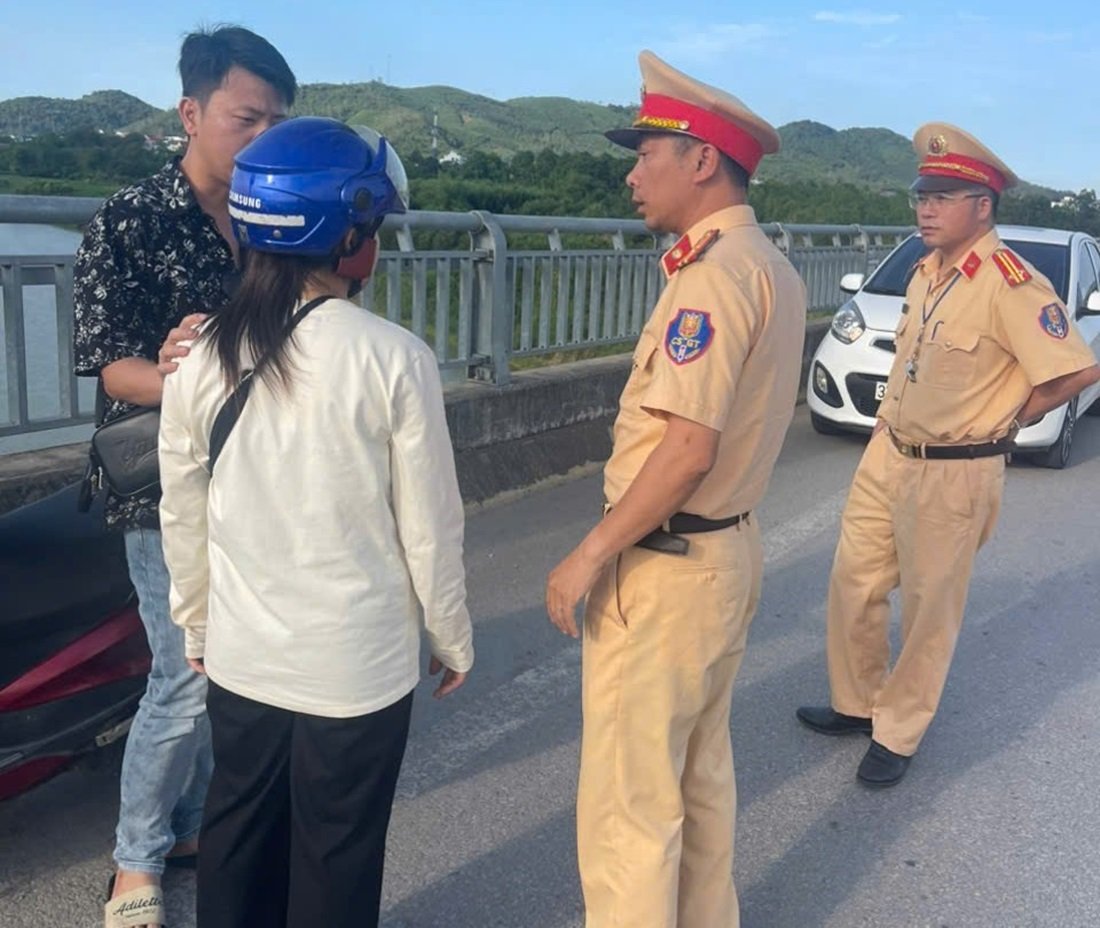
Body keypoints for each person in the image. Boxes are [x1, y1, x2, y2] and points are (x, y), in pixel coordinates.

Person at [157, 115, 474, 928]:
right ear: (349, 239)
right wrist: (450, 635)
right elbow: (430, 525)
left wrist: (196, 623)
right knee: (336, 853)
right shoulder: (394, 358)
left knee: (236, 835)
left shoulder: (201, 356)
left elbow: (182, 510)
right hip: (354, 672)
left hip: (242, 658)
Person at [546, 50, 807, 928]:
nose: (632, 173)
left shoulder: (713, 279)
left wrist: (588, 555)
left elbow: (687, 449)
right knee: (699, 782)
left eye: (647, 152)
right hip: (724, 554)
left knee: (630, 810)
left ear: (702, 160)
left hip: (665, 565)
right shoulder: (768, 263)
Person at [72, 25, 296, 928]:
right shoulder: (127, 220)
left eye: (278, 121)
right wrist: (177, 377)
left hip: (259, 477)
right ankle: (135, 861)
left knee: (224, 664)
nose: (264, 137)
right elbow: (105, 362)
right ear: (192, 111)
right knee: (184, 673)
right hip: (163, 483)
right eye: (249, 117)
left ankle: (199, 821)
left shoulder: (274, 218)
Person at [797, 123, 1100, 788]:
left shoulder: (1010, 284)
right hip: (891, 453)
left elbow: (1075, 370)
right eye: (921, 196)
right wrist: (884, 428)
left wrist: (1004, 421)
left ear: (982, 206)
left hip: (956, 470)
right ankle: (858, 702)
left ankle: (899, 730)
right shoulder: (924, 270)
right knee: (854, 583)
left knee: (930, 608)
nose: (925, 209)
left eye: (943, 196)